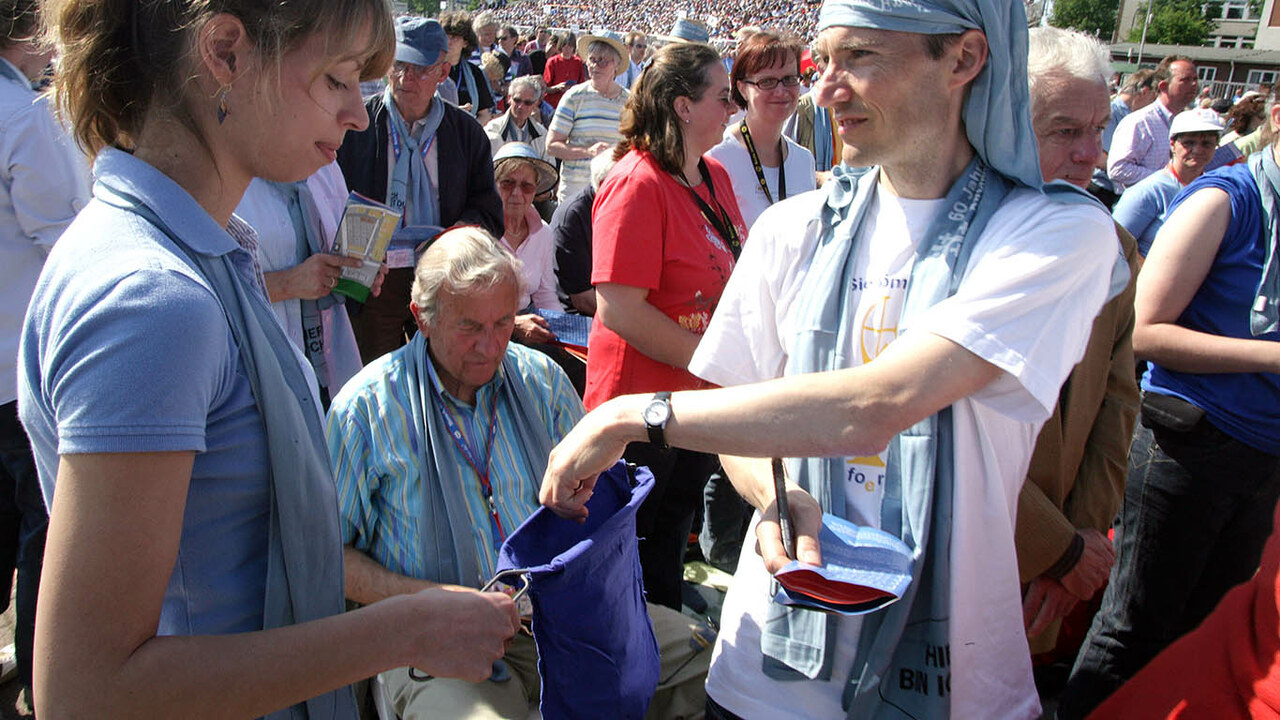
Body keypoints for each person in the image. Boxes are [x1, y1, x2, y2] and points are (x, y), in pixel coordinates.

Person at [539, 0, 1123, 717]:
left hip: (958, 685)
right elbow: (739, 423)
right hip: (765, 674)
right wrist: (778, 497)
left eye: (862, 58)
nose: (826, 89)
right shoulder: (791, 230)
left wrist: (631, 416)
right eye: (827, 61)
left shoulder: (1053, 232)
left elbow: (881, 403)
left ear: (964, 60)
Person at [20, 2, 520, 717]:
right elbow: (89, 692)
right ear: (225, 54)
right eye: (337, 78)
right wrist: (404, 627)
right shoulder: (153, 301)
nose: (356, 113)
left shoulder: (194, 258)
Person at [328, 228, 710, 719]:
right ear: (422, 318)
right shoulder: (366, 410)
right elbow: (329, 559)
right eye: (469, 327)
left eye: (503, 322)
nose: (490, 348)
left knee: (709, 663)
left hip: (564, 615)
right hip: (436, 636)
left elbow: (599, 506)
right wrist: (434, 601)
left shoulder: (541, 379)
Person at [1060, 89, 1280, 720]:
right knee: (1132, 629)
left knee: (1211, 633)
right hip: (1188, 446)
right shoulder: (1225, 200)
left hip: (1263, 459)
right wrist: (1270, 357)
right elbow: (1147, 329)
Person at [585, 42, 746, 613]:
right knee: (629, 550)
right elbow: (620, 309)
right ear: (682, 105)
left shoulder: (715, 176)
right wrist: (709, 359)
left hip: (693, 406)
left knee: (673, 535)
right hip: (640, 410)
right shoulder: (637, 182)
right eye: (723, 97)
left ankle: (668, 649)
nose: (734, 107)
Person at [1017, 26, 1140, 661]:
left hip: (1054, 573)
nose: (1092, 154)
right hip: (966, 556)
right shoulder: (955, 240)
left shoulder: (1113, 245)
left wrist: (1082, 543)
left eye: (1100, 129)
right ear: (1005, 124)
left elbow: (1118, 405)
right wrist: (1054, 548)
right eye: (1066, 131)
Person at [0, 0, 90, 706]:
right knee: (41, 530)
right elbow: (63, 237)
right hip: (16, 354)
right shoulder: (27, 116)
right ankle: (41, 674)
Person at [337, 16, 502, 364]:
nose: (404, 77)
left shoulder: (467, 135)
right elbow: (330, 199)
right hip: (375, 282)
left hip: (443, 280)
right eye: (398, 65)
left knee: (442, 371)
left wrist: (452, 240)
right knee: (374, 371)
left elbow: (488, 212)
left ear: (443, 73)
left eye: (418, 69)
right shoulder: (355, 126)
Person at [235, 163, 379, 407]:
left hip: (330, 356)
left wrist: (361, 270)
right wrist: (286, 284)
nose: (360, 123)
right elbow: (209, 286)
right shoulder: (231, 176)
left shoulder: (326, 166)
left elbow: (340, 247)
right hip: (262, 370)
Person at [706, 29, 816, 228]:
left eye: (790, 79)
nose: (781, 91)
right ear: (742, 88)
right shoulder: (717, 158)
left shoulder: (804, 160)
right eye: (767, 82)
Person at [1113, 109, 1223, 256]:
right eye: (1189, 143)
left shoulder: (1213, 190)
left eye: (1207, 144)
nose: (1198, 150)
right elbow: (1115, 245)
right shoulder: (1148, 191)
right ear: (1172, 144)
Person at [546, 32, 630, 202]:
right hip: (575, 195)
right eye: (592, 59)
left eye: (602, 61)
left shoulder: (629, 102)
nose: (595, 66)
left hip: (614, 193)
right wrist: (588, 152)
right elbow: (552, 146)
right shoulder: (574, 97)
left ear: (616, 64)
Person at [1108, 56, 1201, 191]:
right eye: (1185, 80)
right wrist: (1168, 179)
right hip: (1143, 205)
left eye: (1195, 79)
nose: (1194, 85)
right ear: (1163, 86)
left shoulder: (1189, 122)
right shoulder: (1140, 122)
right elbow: (1118, 169)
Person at [552, 150, 617, 317]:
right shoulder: (573, 218)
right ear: (605, 184)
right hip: (577, 316)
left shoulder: (619, 208)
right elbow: (582, 299)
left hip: (614, 304)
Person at [1090, 68, 1156, 208]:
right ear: (1145, 92)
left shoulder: (1131, 116)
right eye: (1154, 99)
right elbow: (1100, 156)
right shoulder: (1111, 113)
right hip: (1100, 192)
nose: (1154, 106)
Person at [440, 10, 495, 124]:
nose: (449, 41)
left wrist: (468, 129)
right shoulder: (428, 70)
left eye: (454, 37)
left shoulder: (475, 73)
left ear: (465, 42)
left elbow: (484, 114)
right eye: (446, 36)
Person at [484, 75, 549, 159]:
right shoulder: (492, 131)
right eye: (517, 100)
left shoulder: (542, 134)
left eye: (527, 102)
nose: (521, 106)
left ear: (535, 104)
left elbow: (548, 169)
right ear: (509, 98)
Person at [542, 31, 585, 110]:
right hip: (553, 104)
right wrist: (558, 87)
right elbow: (545, 88)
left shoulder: (578, 62)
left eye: (570, 46)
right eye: (565, 45)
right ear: (560, 46)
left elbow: (581, 85)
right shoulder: (552, 62)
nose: (567, 48)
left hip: (571, 104)